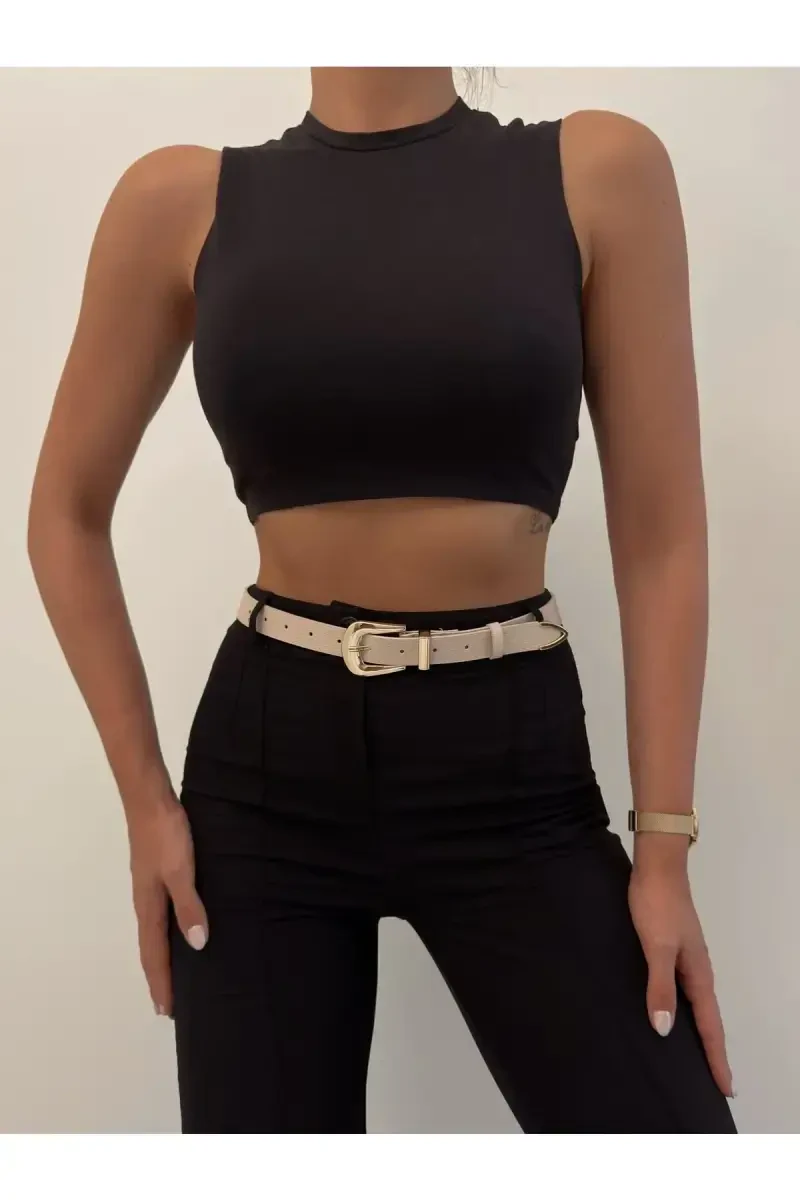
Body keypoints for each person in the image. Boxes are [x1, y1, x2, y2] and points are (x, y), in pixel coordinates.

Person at [27, 66, 737, 1133]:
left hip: (511, 758)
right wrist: (146, 808)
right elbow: (64, 515)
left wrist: (664, 852)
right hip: (263, 770)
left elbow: (662, 537)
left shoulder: (596, 171)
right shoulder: (177, 200)